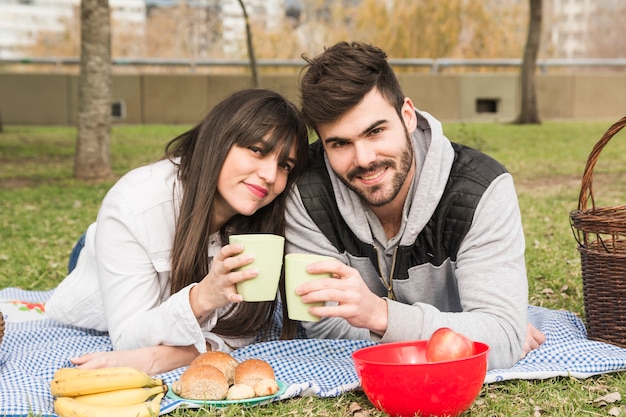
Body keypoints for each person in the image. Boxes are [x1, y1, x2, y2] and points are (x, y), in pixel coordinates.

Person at [284, 41, 545, 370]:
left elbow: (501, 338)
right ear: (322, 144)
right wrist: (473, 337)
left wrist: (380, 316)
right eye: (340, 143)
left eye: (376, 131)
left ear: (407, 116)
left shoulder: (481, 190)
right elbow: (326, 329)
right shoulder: (307, 192)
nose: (364, 159)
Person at [46, 88, 309, 375]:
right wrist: (203, 297)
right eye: (257, 150)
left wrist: (160, 359)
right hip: (107, 252)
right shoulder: (135, 204)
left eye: (285, 165)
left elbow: (239, 331)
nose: (270, 176)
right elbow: (128, 338)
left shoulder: (266, 218)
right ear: (218, 140)